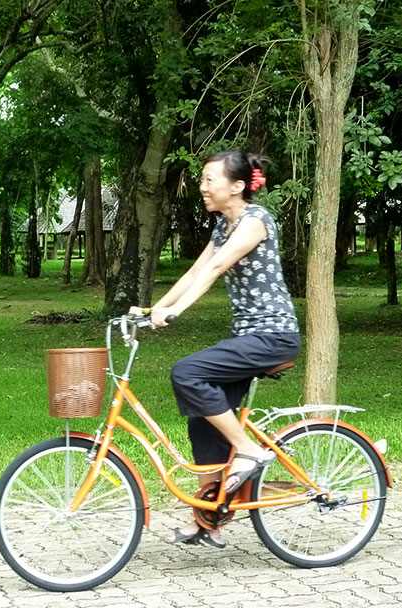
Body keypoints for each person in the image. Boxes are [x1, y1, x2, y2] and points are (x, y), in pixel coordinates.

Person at [131, 150, 300, 548]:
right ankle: (208, 519)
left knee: (187, 372)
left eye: (210, 180)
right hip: (248, 336)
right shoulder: (224, 226)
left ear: (237, 186)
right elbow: (195, 269)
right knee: (202, 417)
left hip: (273, 335)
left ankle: (248, 449)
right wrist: (153, 309)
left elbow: (216, 268)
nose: (202, 187)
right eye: (202, 180)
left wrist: (177, 312)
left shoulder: (256, 221)